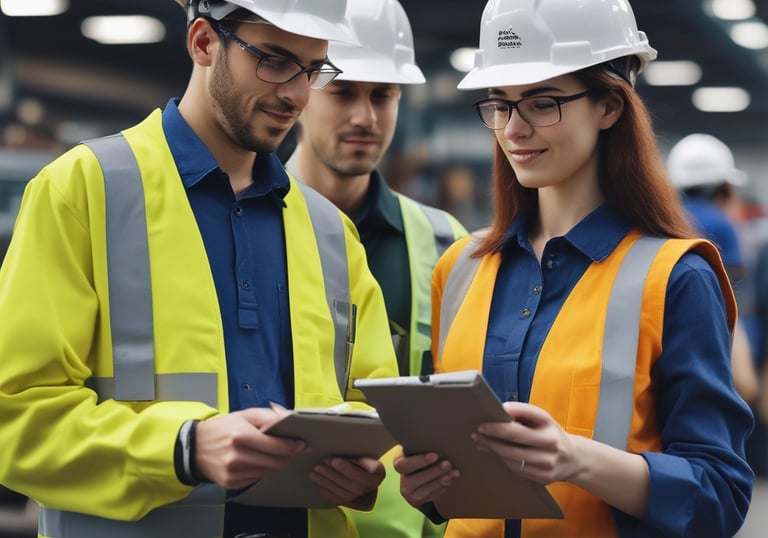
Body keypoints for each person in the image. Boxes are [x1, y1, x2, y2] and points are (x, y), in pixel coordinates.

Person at [0, 1, 401, 537]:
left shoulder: (330, 231)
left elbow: (378, 409)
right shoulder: (81, 191)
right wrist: (183, 447)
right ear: (204, 42)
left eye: (312, 69)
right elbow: (15, 415)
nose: (297, 95)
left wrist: (366, 470)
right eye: (275, 61)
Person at [392, 0, 755, 536]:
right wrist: (429, 487)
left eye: (541, 104)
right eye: (500, 105)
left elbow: (719, 496)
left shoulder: (675, 276)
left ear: (609, 106)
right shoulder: (461, 269)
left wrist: (575, 459)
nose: (513, 129)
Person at [284, 1, 467, 535]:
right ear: (300, 92)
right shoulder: (242, 228)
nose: (365, 116)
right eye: (343, 92)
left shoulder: (445, 245)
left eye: (382, 95)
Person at [667, 133, 759, 405]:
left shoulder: (664, 218)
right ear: (723, 187)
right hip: (710, 342)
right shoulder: (721, 225)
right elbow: (727, 293)